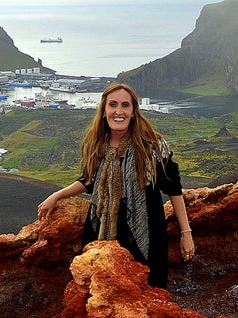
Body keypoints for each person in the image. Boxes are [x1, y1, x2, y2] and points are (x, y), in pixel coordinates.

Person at [37, 83, 194, 288]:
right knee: (100, 289)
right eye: (113, 105)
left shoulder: (152, 146)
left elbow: (173, 188)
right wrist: (57, 195)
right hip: (100, 228)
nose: (118, 111)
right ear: (104, 111)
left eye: (125, 105)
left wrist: (186, 232)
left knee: (147, 290)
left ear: (133, 112)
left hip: (145, 233)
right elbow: (89, 181)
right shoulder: (97, 145)